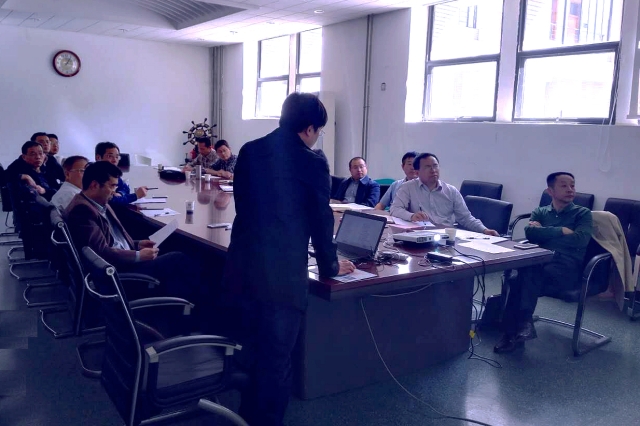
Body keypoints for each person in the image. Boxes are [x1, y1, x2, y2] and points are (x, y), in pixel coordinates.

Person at [222, 92, 355, 426]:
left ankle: (245, 416)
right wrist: (330, 265)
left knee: (251, 350)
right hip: (281, 278)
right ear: (309, 129)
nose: (317, 137)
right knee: (277, 360)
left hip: (242, 267)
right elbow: (321, 219)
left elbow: (243, 205)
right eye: (318, 131)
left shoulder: (250, 150)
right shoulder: (312, 161)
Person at [64, 161, 199, 304]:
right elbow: (100, 254)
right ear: (94, 185)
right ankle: (187, 310)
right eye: (112, 186)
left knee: (171, 247)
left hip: (122, 260)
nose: (114, 192)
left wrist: (137, 244)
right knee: (179, 259)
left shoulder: (97, 203)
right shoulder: (82, 211)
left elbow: (111, 240)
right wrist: (138, 255)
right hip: (118, 273)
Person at [494, 172, 592, 354]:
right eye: (564, 186)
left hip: (567, 268)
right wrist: (562, 231)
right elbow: (531, 234)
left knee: (520, 278)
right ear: (550, 191)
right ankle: (521, 327)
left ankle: (511, 331)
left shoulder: (583, 213)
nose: (570, 189)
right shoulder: (540, 211)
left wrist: (545, 232)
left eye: (572, 185)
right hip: (542, 262)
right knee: (524, 276)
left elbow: (580, 240)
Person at [390, 153, 500, 235]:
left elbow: (466, 218)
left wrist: (484, 230)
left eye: (435, 166)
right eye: (427, 167)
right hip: (420, 235)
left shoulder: (451, 191)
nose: (433, 170)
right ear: (417, 172)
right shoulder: (408, 187)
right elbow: (395, 209)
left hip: (447, 237)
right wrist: (412, 216)